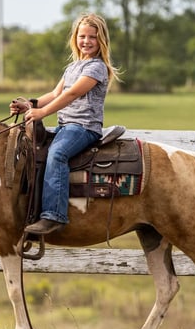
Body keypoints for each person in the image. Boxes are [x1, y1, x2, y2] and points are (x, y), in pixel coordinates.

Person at [10, 12, 119, 236]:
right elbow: (55, 93)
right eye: (82, 36)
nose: (86, 41)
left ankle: (53, 215)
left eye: (92, 37)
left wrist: (41, 112)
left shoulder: (96, 67)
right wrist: (29, 104)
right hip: (65, 126)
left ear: (101, 40)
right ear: (75, 38)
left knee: (57, 154)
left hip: (84, 128)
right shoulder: (73, 67)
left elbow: (72, 95)